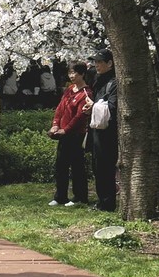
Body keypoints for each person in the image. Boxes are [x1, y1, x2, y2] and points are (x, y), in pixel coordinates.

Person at [48, 61, 92, 207]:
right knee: (61, 166)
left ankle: (80, 196)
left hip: (76, 134)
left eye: (75, 73)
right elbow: (60, 108)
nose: (72, 76)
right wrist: (55, 124)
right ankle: (60, 196)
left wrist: (66, 129)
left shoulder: (86, 93)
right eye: (70, 73)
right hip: (63, 133)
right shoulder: (69, 89)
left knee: (77, 166)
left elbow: (80, 116)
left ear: (82, 74)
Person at [88, 49, 119, 212]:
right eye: (95, 62)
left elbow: (113, 107)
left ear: (110, 63)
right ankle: (102, 200)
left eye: (100, 62)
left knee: (105, 167)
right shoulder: (98, 80)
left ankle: (108, 203)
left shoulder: (114, 83)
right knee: (97, 166)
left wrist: (93, 107)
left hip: (108, 132)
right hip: (96, 129)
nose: (96, 65)